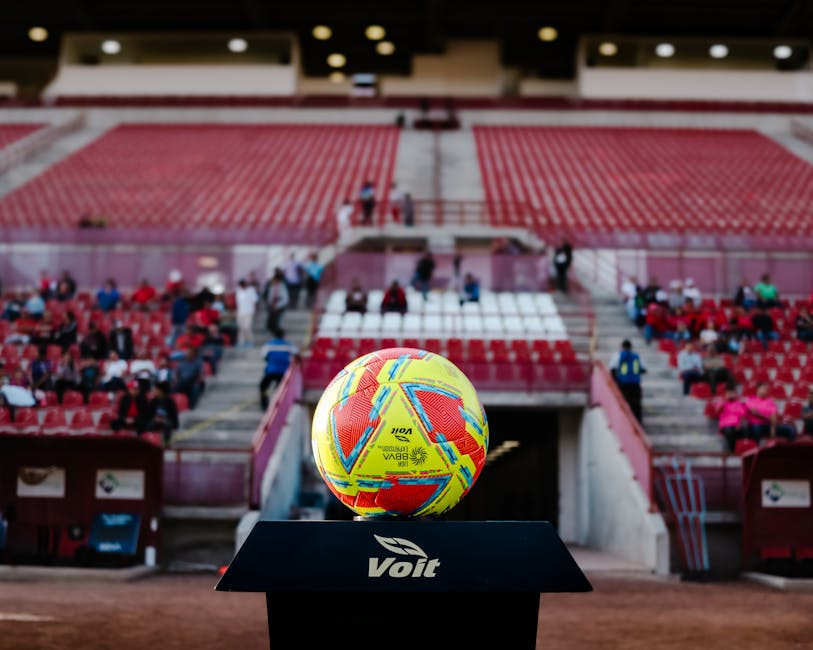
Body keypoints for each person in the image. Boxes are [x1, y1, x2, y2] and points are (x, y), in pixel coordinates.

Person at [259, 328, 298, 409]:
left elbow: (264, 357)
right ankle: (278, 405)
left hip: (271, 371)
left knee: (263, 386)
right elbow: (297, 355)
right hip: (283, 372)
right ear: (283, 335)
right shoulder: (288, 345)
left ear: (274, 335)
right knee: (279, 389)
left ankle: (264, 404)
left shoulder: (269, 345)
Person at [610, 339, 646, 421]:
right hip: (635, 384)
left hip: (623, 384)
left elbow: (612, 369)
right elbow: (643, 369)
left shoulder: (618, 355)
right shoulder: (637, 356)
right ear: (631, 347)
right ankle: (638, 422)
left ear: (622, 346)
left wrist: (616, 380)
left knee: (624, 403)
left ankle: (623, 421)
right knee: (636, 405)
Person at [711, 387, 750, 453]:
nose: (730, 395)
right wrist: (723, 402)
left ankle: (744, 449)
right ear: (725, 394)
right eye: (729, 393)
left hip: (737, 425)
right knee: (729, 430)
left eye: (732, 393)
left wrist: (739, 425)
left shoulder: (738, 403)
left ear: (735, 394)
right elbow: (716, 412)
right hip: (726, 425)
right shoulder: (721, 402)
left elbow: (743, 415)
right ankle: (732, 451)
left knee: (746, 429)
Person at [235, 278, 259, 347]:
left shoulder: (251, 290)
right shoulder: (238, 291)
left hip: (249, 312)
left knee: (247, 327)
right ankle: (241, 342)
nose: (242, 286)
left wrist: (255, 310)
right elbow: (238, 302)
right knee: (241, 328)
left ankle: (250, 341)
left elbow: (255, 300)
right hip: (240, 312)